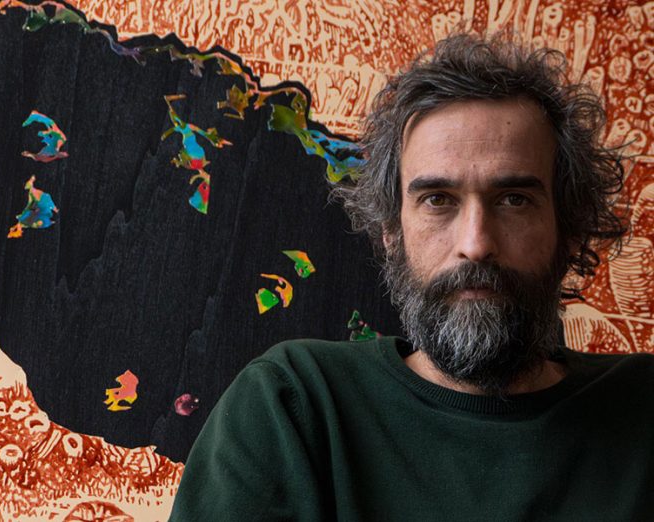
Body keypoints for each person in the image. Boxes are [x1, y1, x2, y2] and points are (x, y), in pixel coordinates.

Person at [169, 33, 654, 520]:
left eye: (514, 200)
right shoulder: (294, 406)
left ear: (568, 230)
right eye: (438, 200)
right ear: (391, 233)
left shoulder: (643, 412)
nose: (475, 243)